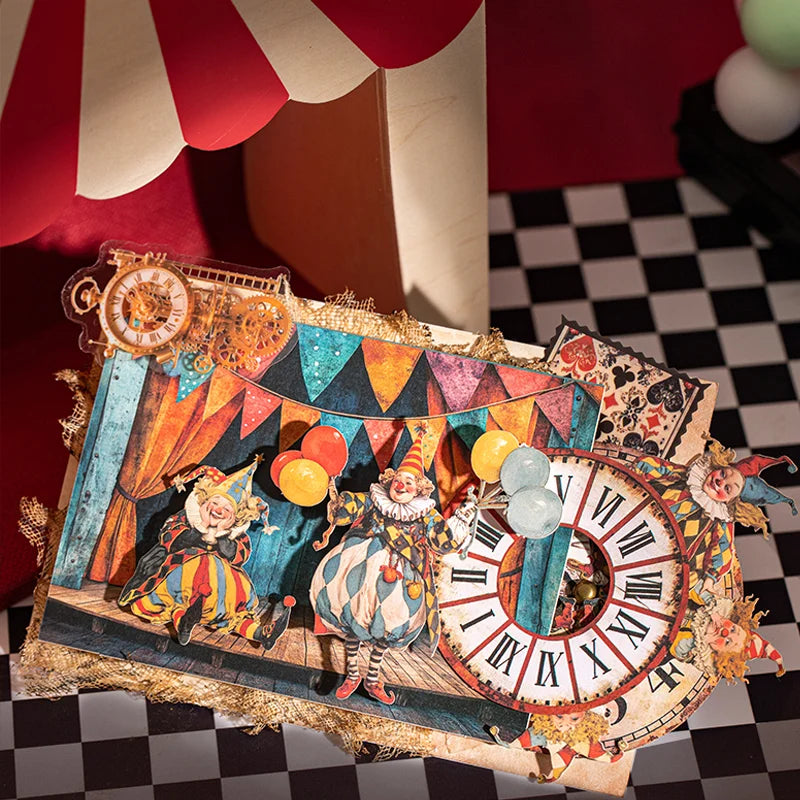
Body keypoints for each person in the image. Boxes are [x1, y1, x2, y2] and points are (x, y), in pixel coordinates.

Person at [309, 425, 476, 704]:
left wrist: (462, 518)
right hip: (361, 567)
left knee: (389, 625)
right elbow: (351, 507)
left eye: (409, 483)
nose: (401, 486)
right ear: (390, 481)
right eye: (399, 480)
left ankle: (372, 679)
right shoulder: (376, 500)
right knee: (355, 617)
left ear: (418, 489)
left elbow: (443, 541)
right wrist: (338, 501)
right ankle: (352, 674)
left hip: (402, 576)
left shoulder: (426, 513)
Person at [119, 456, 287, 647]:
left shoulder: (235, 535)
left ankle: (258, 633)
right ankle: (183, 621)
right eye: (215, 503)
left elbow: (241, 555)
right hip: (177, 570)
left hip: (218, 585)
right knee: (178, 593)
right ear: (204, 501)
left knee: (235, 598)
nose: (218, 510)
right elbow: (168, 538)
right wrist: (198, 532)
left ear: (235, 518)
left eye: (227, 509)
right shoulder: (186, 519)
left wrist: (222, 539)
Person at [635, 442, 796, 600]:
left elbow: (723, 550)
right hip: (638, 515)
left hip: (666, 557)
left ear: (731, 502)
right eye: (723, 474)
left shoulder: (720, 520)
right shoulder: (690, 477)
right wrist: (641, 467)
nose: (719, 482)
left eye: (727, 488)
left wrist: (710, 578)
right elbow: (664, 469)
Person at [671, 594, 784, 682]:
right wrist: (713, 611)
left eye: (728, 642)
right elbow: (696, 587)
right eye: (733, 629)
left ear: (719, 655)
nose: (725, 632)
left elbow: (676, 647)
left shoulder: (699, 650)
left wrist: (703, 640)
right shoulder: (717, 608)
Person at [490, 710, 623, 783]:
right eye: (559, 716)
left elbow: (603, 756)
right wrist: (500, 740)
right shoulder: (540, 731)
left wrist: (618, 753)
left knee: (556, 771)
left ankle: (549, 778)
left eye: (574, 719)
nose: (564, 723)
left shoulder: (583, 742)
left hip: (562, 757)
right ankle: (549, 778)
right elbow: (517, 743)